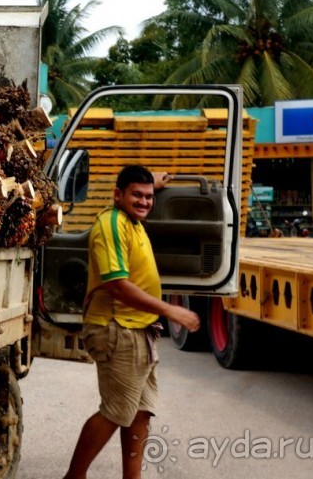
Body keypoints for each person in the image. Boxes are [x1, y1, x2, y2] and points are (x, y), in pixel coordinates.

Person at [63, 165, 201, 479]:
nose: (144, 202)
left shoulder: (132, 218)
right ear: (117, 195)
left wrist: (153, 182)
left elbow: (140, 189)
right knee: (115, 412)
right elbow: (117, 284)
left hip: (138, 330)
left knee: (141, 413)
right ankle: (74, 476)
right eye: (136, 195)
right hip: (116, 328)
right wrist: (170, 311)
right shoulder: (111, 225)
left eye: (149, 196)